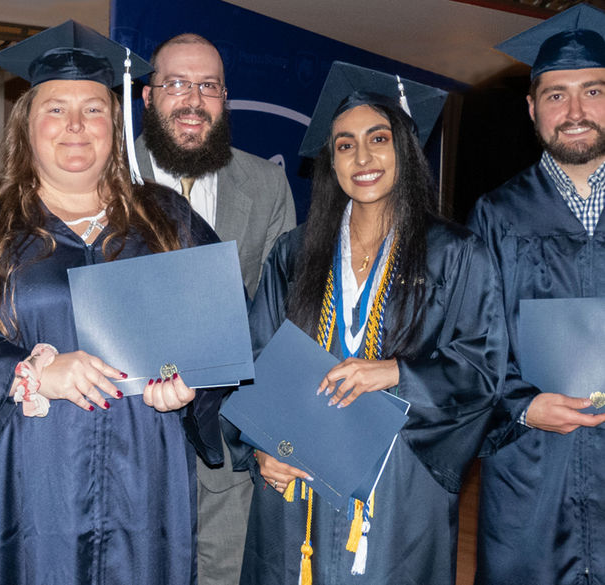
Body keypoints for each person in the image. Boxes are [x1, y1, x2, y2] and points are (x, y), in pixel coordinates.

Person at [0, 21, 225, 585]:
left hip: (141, 478)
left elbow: (222, 333)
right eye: (55, 109)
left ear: (115, 126)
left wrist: (192, 384)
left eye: (94, 109)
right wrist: (26, 371)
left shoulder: (168, 222)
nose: (76, 125)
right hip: (18, 480)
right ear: (27, 125)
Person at [236, 62, 506, 584]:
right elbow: (255, 358)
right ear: (329, 162)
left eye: (377, 139)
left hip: (400, 479)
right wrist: (259, 448)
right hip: (300, 476)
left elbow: (483, 369)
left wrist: (397, 374)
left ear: (403, 150)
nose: (362, 157)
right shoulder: (294, 253)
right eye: (344, 144)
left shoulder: (454, 253)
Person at [136, 33, 297, 584]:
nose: (192, 99)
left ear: (224, 99)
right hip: (124, 438)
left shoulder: (266, 184)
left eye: (208, 86)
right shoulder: (100, 177)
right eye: (176, 83)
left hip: (225, 448)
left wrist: (275, 435)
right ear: (147, 95)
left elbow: (281, 320)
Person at [468, 5, 605, 584]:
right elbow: (472, 345)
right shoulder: (496, 215)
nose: (574, 111)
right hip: (531, 472)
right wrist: (523, 405)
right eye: (555, 95)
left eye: (593, 90)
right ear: (532, 108)